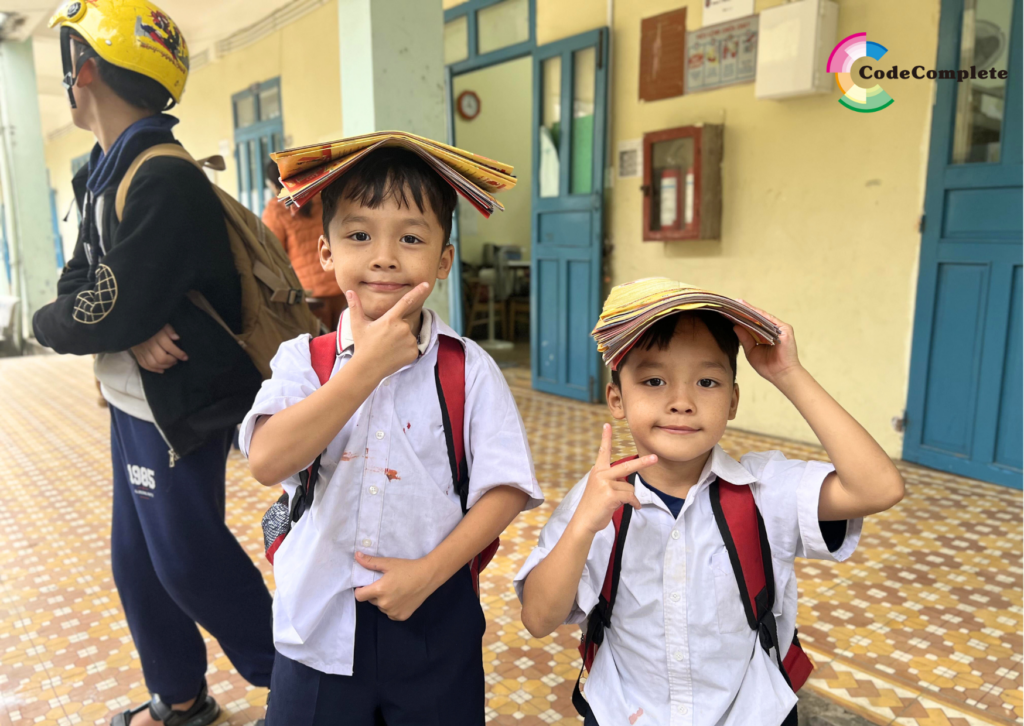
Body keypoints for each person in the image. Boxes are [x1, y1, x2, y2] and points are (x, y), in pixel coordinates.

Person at [241, 145, 543, 725]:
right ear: (325, 251)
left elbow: (505, 488)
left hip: (435, 620)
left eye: (410, 238)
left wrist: (428, 574)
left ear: (444, 258)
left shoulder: (469, 368)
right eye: (359, 236)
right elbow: (266, 458)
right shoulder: (304, 360)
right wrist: (364, 369)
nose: (383, 257)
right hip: (318, 625)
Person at [34, 2, 275, 724]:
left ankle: (303, 682)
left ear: (85, 71)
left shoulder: (163, 177)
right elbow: (86, 295)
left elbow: (102, 307)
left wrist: (114, 320)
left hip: (176, 406)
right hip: (135, 398)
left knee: (187, 558)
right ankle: (181, 696)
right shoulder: (103, 174)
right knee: (137, 561)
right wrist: (121, 326)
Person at [514, 288, 906, 726]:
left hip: (751, 714)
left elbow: (878, 488)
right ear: (617, 400)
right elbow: (538, 618)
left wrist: (789, 373)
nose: (682, 401)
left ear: (733, 400)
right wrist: (582, 527)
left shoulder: (763, 491)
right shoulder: (596, 500)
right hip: (626, 714)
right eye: (654, 380)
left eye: (707, 382)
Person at [263, 160, 346, 330]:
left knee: (320, 350)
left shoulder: (276, 209)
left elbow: (271, 255)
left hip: (310, 297)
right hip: (341, 286)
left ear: (272, 184)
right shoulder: (321, 196)